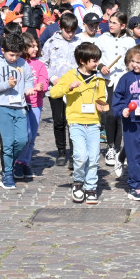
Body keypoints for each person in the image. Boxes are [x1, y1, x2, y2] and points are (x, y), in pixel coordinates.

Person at [50, 42, 110, 204]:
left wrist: (102, 105)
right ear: (83, 61)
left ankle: (91, 186)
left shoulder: (98, 78)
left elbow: (102, 98)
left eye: (97, 60)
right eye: (93, 60)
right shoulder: (70, 75)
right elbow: (53, 93)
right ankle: (78, 183)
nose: (97, 63)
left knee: (93, 156)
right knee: (80, 155)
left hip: (93, 123)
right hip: (76, 122)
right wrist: (68, 87)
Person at [0, 33, 35, 190]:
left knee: (22, 140)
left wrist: (29, 89)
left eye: (17, 55)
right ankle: (7, 173)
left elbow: (28, 80)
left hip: (19, 107)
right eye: (11, 55)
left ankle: (10, 162)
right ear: (2, 50)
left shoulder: (23, 63)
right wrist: (6, 84)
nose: (14, 58)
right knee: (7, 142)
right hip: (2, 106)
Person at [113, 44, 140, 200]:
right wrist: (122, 110)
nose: (134, 65)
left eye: (139, 62)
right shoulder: (126, 78)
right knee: (134, 156)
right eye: (132, 61)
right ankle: (135, 185)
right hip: (132, 124)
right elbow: (117, 100)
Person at [95, 12, 136, 166]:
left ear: (123, 26)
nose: (110, 25)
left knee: (122, 115)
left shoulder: (130, 41)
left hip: (125, 81)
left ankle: (119, 149)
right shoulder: (102, 39)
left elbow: (133, 59)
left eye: (114, 23)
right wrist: (101, 67)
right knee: (110, 114)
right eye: (110, 22)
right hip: (108, 82)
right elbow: (94, 57)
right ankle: (110, 146)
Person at [40, 12, 81, 166]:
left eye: (73, 31)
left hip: (75, 88)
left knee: (73, 121)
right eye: (67, 31)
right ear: (60, 28)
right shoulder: (51, 42)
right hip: (56, 88)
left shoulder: (80, 42)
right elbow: (44, 63)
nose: (70, 34)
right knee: (59, 120)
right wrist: (52, 78)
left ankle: (74, 153)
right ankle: (61, 151)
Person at [15, 33, 49, 180]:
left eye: (36, 46)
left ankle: (25, 162)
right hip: (20, 104)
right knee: (24, 135)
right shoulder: (18, 63)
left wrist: (42, 87)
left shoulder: (40, 64)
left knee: (32, 136)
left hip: (36, 104)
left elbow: (45, 81)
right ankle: (17, 161)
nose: (35, 49)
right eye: (32, 46)